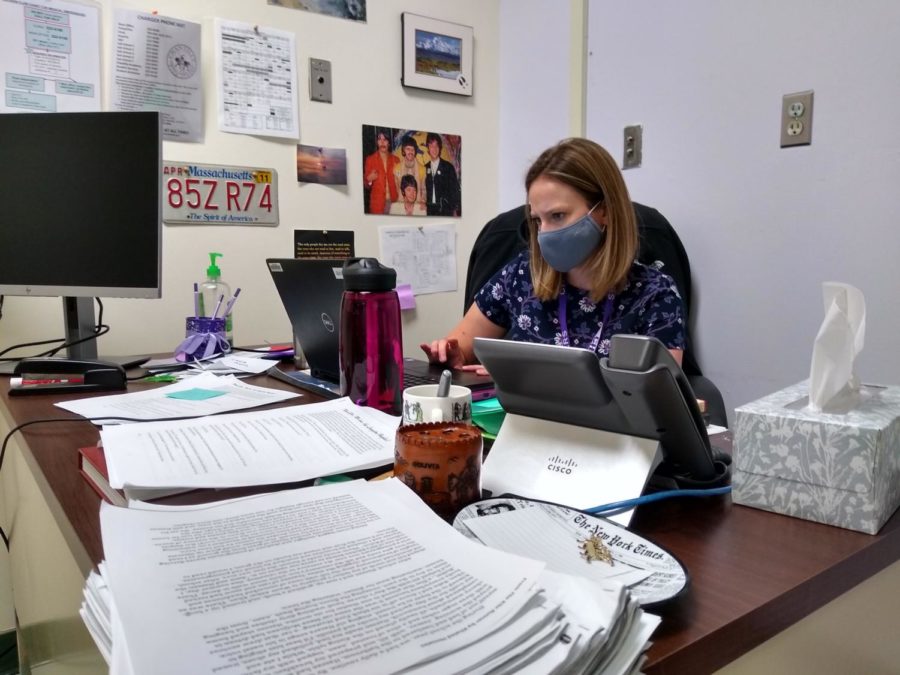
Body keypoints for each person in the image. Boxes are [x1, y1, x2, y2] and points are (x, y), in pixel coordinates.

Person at [421, 137, 685, 372]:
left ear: (604, 211)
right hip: (519, 425)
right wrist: (452, 354)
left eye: (557, 216)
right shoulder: (522, 274)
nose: (543, 233)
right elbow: (461, 346)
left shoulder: (654, 294)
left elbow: (660, 402)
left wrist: (523, 378)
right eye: (537, 220)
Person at [424, 132, 461, 216]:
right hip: (429, 212)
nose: (434, 149)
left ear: (440, 147)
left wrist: (454, 210)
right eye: (431, 146)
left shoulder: (448, 167)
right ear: (428, 148)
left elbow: (455, 191)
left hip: (445, 211)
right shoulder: (425, 168)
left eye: (436, 145)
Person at [363, 128, 399, 214]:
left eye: (385, 139)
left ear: (389, 143)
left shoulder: (396, 160)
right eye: (380, 139)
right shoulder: (370, 159)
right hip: (377, 205)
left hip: (394, 203)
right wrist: (369, 180)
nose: (382, 142)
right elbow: (366, 185)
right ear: (377, 142)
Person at [394, 135, 426, 203]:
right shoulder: (396, 169)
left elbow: (424, 190)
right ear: (403, 150)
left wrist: (423, 201)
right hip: (401, 205)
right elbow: (397, 190)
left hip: (418, 205)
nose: (410, 152)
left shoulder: (422, 169)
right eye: (408, 149)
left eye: (412, 149)